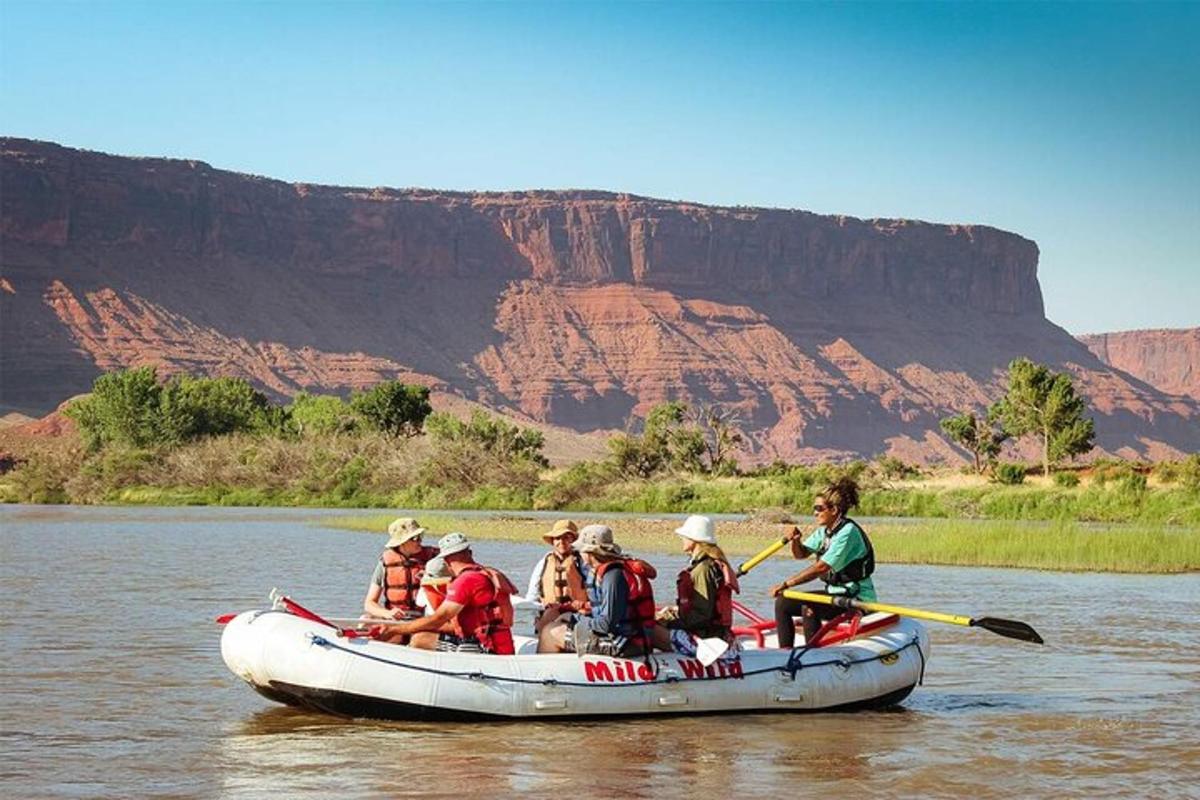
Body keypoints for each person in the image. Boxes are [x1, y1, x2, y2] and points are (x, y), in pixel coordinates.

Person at [768, 477, 877, 648]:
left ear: (834, 510)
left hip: (855, 597)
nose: (815, 513)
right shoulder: (824, 532)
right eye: (814, 508)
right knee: (783, 603)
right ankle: (785, 653)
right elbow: (801, 554)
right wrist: (795, 540)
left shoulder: (848, 532)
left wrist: (786, 583)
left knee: (809, 606)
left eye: (819, 508)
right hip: (834, 593)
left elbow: (822, 567)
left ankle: (813, 655)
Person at [388, 532, 518, 655]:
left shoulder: (465, 581)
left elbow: (438, 619)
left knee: (420, 639)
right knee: (424, 635)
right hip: (500, 644)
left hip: (485, 648)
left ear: (446, 560)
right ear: (470, 553)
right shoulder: (486, 572)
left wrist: (395, 629)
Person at [538, 525, 657, 657]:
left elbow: (606, 624)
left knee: (550, 633)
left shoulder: (613, 576)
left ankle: (543, 675)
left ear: (590, 552)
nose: (580, 554)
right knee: (558, 623)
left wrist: (577, 620)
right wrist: (572, 617)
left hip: (625, 643)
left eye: (581, 550)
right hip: (618, 637)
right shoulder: (602, 572)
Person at [651, 515, 740, 657]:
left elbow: (702, 616)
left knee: (647, 630)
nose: (682, 539)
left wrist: (670, 622)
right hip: (712, 634)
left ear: (695, 540)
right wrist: (673, 613)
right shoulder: (708, 565)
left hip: (705, 641)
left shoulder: (702, 570)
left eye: (685, 536)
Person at [362, 517, 440, 627]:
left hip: (426, 618)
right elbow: (369, 603)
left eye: (420, 536)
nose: (420, 541)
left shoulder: (434, 558)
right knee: (365, 620)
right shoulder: (385, 562)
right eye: (414, 538)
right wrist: (388, 613)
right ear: (401, 542)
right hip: (396, 619)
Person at [525, 519, 590, 632]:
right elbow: (532, 595)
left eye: (566, 537)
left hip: (577, 617)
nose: (562, 542)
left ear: (574, 540)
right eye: (557, 538)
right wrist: (535, 618)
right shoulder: (544, 562)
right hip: (549, 617)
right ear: (553, 541)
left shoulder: (583, 562)